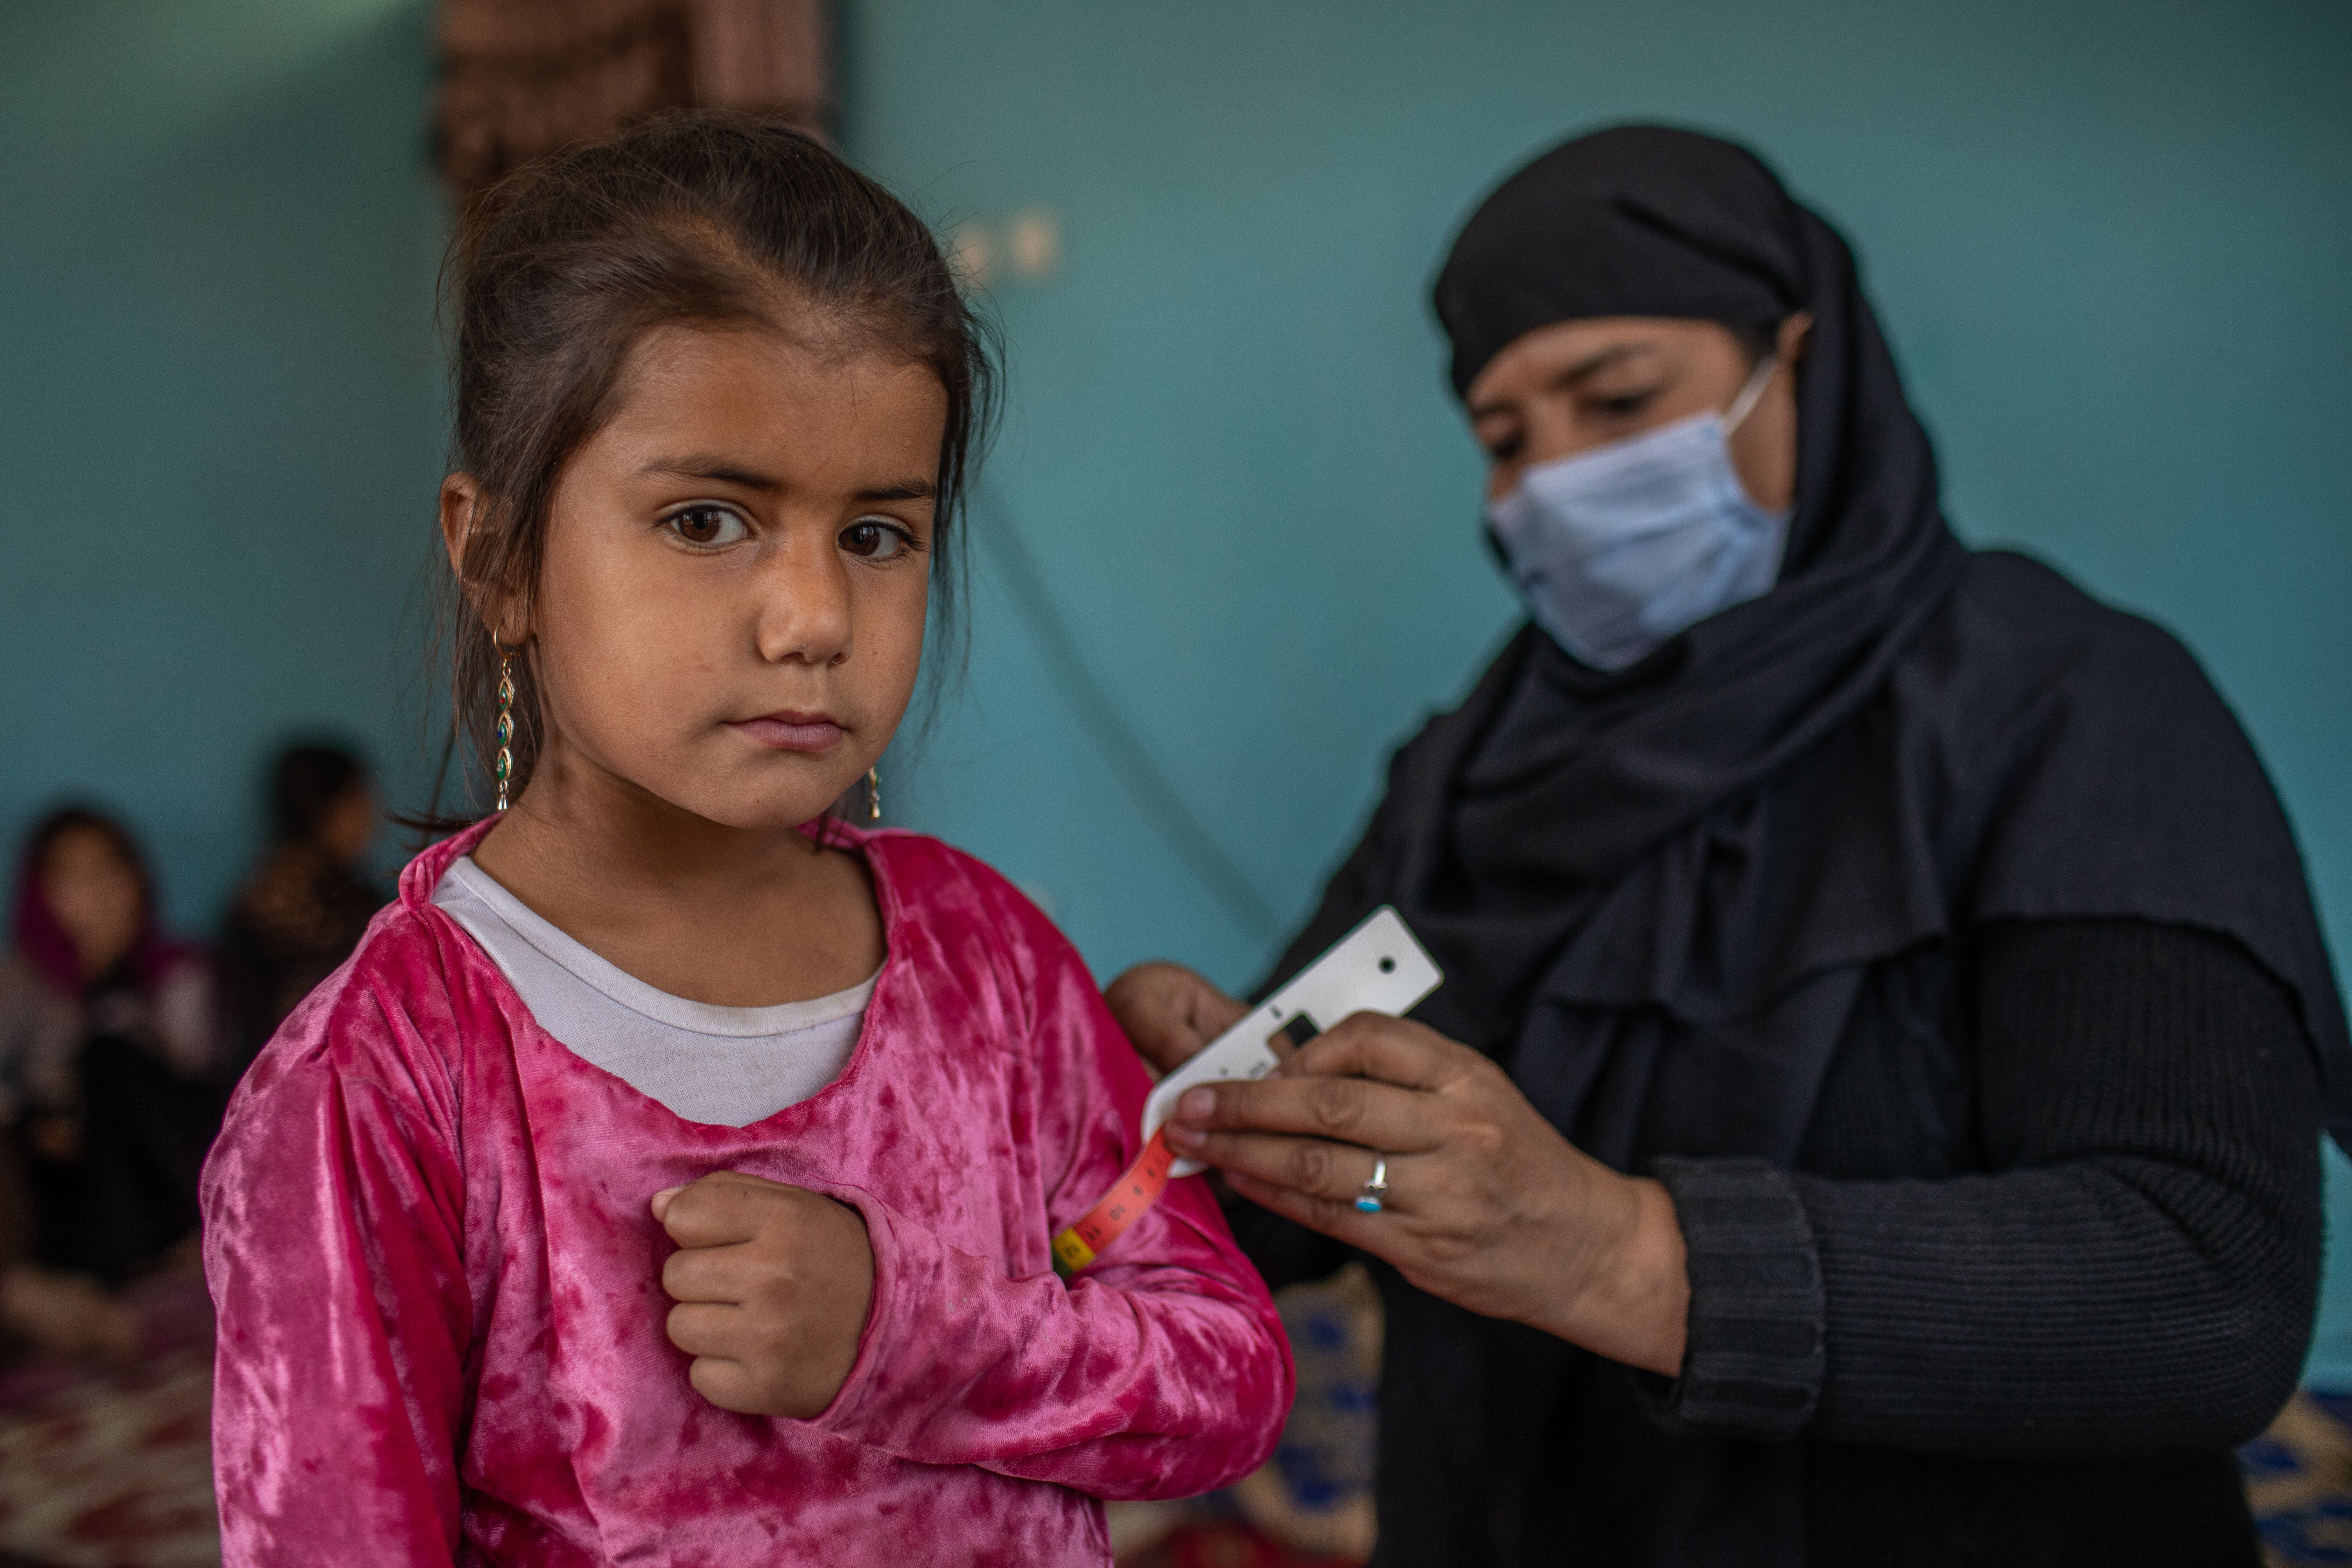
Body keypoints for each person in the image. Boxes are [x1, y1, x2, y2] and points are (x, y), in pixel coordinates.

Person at [1107, 126, 2349, 1568]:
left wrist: (1616, 1251)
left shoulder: (2069, 709)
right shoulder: (1479, 766)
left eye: (1620, 398)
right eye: (1507, 443)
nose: (1555, 484)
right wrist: (1160, 1120)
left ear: (1802, 363)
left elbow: (2205, 1280)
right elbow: (1295, 1180)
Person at [201, 112, 1290, 1566]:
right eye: (709, 518)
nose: (815, 620)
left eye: (877, 535)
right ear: (499, 560)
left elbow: (1228, 1379)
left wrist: (907, 1331)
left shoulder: (990, 961)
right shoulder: (387, 1076)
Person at [0, 807, 218, 1359]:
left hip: (167, 1182)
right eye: (72, 878)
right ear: (42, 893)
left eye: (108, 871)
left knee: (115, 1054)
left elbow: (192, 1083)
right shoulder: (24, 983)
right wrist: (80, 981)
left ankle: (207, 1232)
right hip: (75, 1194)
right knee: (91, 1064)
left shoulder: (176, 971)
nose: (94, 892)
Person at [216, 741, 384, 1082]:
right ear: (327, 810)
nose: (372, 819)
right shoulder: (319, 903)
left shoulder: (259, 889)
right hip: (310, 1080)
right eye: (360, 802)